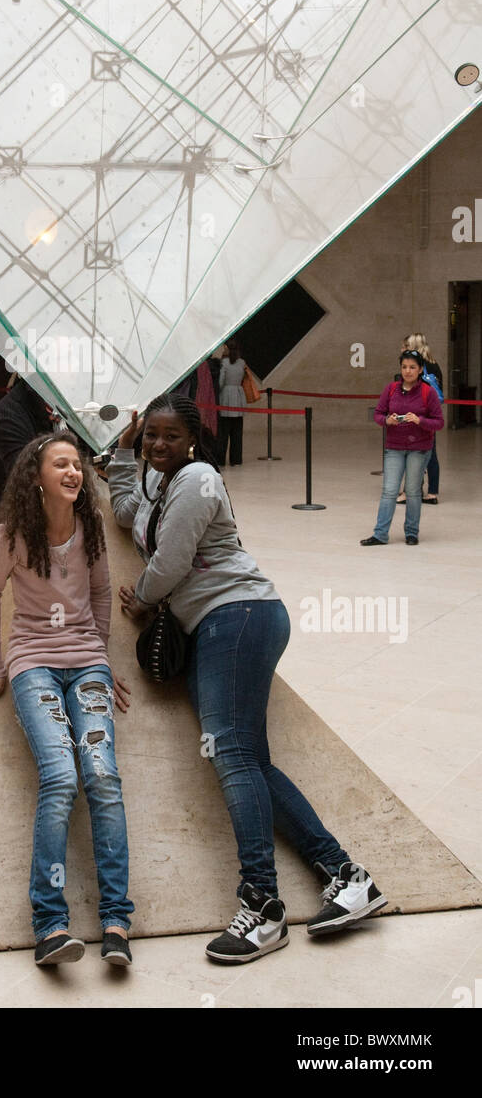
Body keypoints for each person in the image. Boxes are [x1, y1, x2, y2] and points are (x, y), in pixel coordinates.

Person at [107, 392, 386, 964]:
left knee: (228, 753)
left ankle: (262, 907)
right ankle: (347, 876)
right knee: (248, 760)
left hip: (237, 617)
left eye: (169, 435)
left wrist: (143, 598)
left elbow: (174, 558)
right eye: (150, 435)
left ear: (193, 437)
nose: (158, 444)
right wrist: (118, 452)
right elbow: (128, 512)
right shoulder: (160, 482)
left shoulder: (200, 479)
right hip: (221, 624)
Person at [0, 431, 134, 966]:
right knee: (61, 776)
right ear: (36, 477)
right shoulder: (15, 533)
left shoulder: (92, 527)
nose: (72, 472)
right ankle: (50, 925)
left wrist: (103, 660)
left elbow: (104, 592)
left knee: (103, 777)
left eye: (77, 465)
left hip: (86, 661)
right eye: (60, 464)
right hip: (33, 663)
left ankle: (116, 920)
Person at [361, 350, 444, 547]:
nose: (408, 371)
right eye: (404, 367)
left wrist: (420, 420)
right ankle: (380, 534)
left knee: (413, 491)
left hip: (419, 448)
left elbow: (439, 422)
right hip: (394, 447)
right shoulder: (391, 389)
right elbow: (378, 414)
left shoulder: (428, 392)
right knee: (389, 491)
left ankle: (411, 533)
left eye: (412, 367)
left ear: (420, 370)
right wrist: (387, 420)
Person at [0, 375, 54, 548]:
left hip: (53, 520)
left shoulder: (60, 402)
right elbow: (24, 474)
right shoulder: (9, 414)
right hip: (16, 523)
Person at [402, 334, 443, 504]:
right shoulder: (435, 365)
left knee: (413, 452)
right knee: (430, 453)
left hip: (418, 413)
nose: (402, 349)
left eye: (405, 346)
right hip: (431, 412)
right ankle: (432, 493)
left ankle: (411, 491)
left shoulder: (416, 366)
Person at [217, 339, 250, 466]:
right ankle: (236, 459)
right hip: (238, 395)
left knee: (223, 433)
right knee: (237, 432)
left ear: (227, 349)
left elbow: (220, 382)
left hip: (226, 396)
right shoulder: (242, 362)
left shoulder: (223, 363)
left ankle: (221, 459)